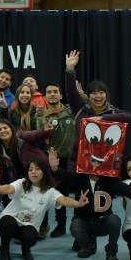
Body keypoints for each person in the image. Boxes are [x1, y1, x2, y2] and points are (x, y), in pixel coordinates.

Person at [0, 158, 89, 260]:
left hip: (29, 224)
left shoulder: (50, 191)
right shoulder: (22, 183)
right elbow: (9, 188)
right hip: (12, 218)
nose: (33, 172)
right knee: (7, 223)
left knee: (30, 237)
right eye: (30, 169)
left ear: (44, 172)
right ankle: (4, 248)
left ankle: (25, 249)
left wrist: (78, 204)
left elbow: (63, 199)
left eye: (37, 169)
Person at [66, 50, 131, 173]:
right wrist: (70, 70)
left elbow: (129, 117)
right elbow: (71, 92)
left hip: (106, 167)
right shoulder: (80, 109)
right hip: (78, 164)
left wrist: (102, 119)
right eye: (94, 93)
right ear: (88, 95)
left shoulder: (113, 112)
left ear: (106, 95)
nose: (98, 96)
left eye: (101, 92)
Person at [37, 82, 75, 238]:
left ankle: (61, 225)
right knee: (44, 192)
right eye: (49, 92)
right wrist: (40, 119)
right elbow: (39, 137)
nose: (52, 94)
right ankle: (43, 225)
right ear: (45, 96)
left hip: (68, 160)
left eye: (55, 91)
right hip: (47, 159)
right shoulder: (41, 115)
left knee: (62, 193)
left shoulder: (71, 111)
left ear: (60, 95)